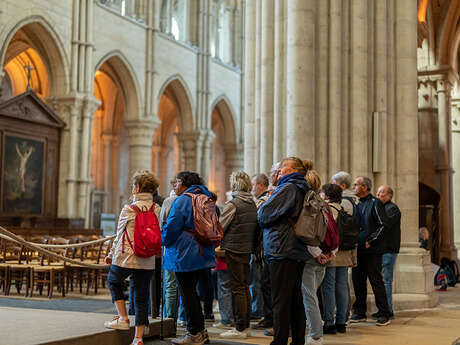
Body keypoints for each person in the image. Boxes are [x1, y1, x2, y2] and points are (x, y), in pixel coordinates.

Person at [104, 171, 161, 345]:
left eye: (133, 186)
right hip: (148, 259)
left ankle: (123, 318)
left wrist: (110, 254)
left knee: (113, 281)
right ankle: (138, 338)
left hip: (127, 256)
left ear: (137, 187)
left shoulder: (129, 209)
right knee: (141, 296)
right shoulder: (157, 209)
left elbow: (119, 234)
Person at [258, 157, 310, 345]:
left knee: (280, 299)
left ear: (293, 169)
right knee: (295, 298)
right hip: (294, 248)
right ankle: (297, 340)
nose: (278, 172)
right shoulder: (302, 187)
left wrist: (265, 205)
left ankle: (279, 341)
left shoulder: (289, 188)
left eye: (282, 168)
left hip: (282, 248)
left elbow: (263, 215)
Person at [162, 172, 216, 345]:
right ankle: (201, 331)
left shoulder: (183, 200)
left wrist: (162, 238)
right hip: (203, 252)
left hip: (185, 254)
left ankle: (194, 334)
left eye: (177, 182)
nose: (175, 186)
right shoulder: (206, 197)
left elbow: (172, 228)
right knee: (193, 293)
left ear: (185, 184)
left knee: (187, 295)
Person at [219, 171, 259, 339]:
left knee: (237, 288)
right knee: (244, 287)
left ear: (235, 185)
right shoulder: (252, 203)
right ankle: (245, 325)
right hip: (246, 249)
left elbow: (220, 227)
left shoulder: (233, 204)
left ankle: (240, 328)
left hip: (234, 249)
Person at [351, 176, 391, 326]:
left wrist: (371, 241)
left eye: (356, 185)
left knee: (376, 281)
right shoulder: (356, 204)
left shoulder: (375, 203)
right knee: (358, 280)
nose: (354, 187)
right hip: (358, 249)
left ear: (365, 187)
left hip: (372, 250)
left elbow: (384, 225)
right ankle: (360, 312)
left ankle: (384, 313)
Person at [301, 169, 333, 345]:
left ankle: (315, 335)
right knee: (313, 295)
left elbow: (306, 232)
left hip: (312, 256)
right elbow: (334, 232)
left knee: (309, 297)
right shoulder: (324, 203)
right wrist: (329, 254)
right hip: (324, 255)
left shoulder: (308, 203)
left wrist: (318, 253)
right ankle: (316, 327)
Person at [321, 181, 357, 335]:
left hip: (331, 253)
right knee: (342, 287)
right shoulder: (345, 209)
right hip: (345, 253)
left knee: (328, 287)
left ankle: (329, 323)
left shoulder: (326, 210)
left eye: (322, 193)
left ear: (327, 195)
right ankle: (341, 322)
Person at [376, 185, 401, 319]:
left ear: (390, 196)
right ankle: (383, 309)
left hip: (388, 250)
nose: (378, 194)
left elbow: (385, 225)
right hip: (381, 250)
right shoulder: (381, 207)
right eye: (378, 192)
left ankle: (388, 311)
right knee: (381, 281)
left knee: (386, 280)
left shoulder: (392, 209)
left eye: (382, 193)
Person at [249, 173, 269, 322]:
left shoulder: (263, 201)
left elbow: (255, 223)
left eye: (254, 184)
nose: (252, 187)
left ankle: (258, 310)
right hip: (261, 247)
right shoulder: (261, 200)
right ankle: (259, 310)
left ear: (262, 185)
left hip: (261, 248)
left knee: (258, 282)